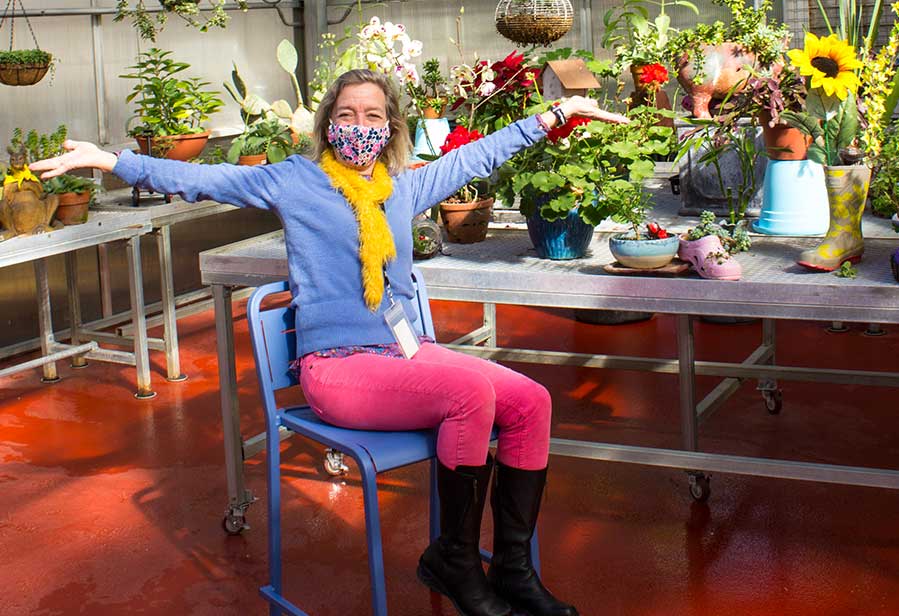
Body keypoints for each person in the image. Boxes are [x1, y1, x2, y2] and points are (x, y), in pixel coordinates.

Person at [31, 68, 628, 616]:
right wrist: (114, 161)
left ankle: (514, 570)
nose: (359, 127)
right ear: (327, 125)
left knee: (532, 402)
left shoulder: (400, 186)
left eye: (372, 116)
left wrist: (555, 114)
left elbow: (477, 156)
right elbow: (206, 178)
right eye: (346, 114)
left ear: (391, 127)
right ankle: (454, 561)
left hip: (403, 355)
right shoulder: (297, 182)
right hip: (336, 369)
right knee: (470, 392)